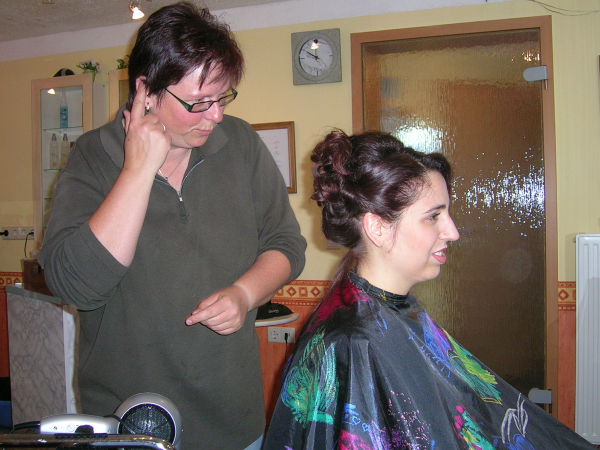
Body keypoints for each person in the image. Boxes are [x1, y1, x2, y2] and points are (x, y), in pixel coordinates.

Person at [39, 3, 306, 450]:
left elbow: (286, 243)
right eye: (198, 103)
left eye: (223, 98)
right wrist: (138, 169)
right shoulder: (93, 155)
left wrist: (245, 294)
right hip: (129, 423)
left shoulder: (241, 145)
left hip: (233, 422)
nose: (215, 116)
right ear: (146, 91)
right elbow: (77, 287)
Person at [263, 130, 594, 449]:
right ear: (378, 228)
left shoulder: (396, 311)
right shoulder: (354, 342)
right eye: (433, 217)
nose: (453, 232)